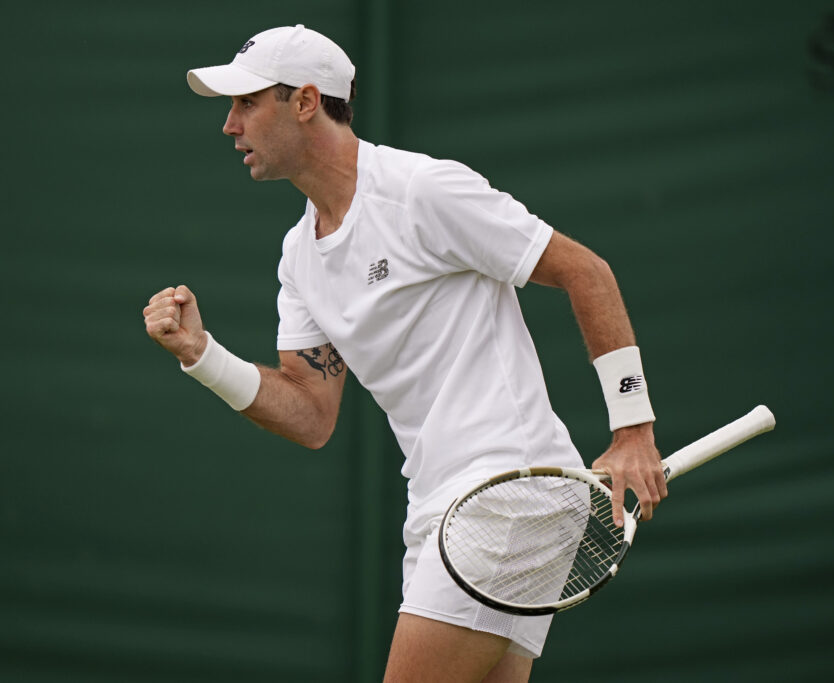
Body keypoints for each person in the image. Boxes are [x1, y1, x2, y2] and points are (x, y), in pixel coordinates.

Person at [143, 24, 667, 683]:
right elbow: (310, 413)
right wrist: (202, 353)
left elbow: (586, 271)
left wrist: (633, 430)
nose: (230, 124)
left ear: (305, 102)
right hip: (442, 510)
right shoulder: (299, 257)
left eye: (247, 103)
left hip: (508, 490)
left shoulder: (423, 190)